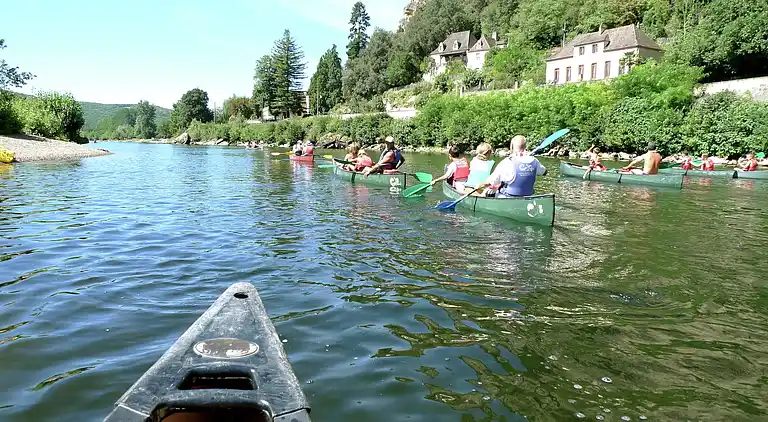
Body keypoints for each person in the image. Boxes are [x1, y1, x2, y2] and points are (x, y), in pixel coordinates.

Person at [476, 135, 547, 197]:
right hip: (528, 197)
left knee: (489, 191)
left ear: (511, 146)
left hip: (507, 196)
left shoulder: (506, 162)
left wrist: (479, 185)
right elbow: (544, 172)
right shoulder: (534, 161)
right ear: (525, 146)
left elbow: (490, 182)